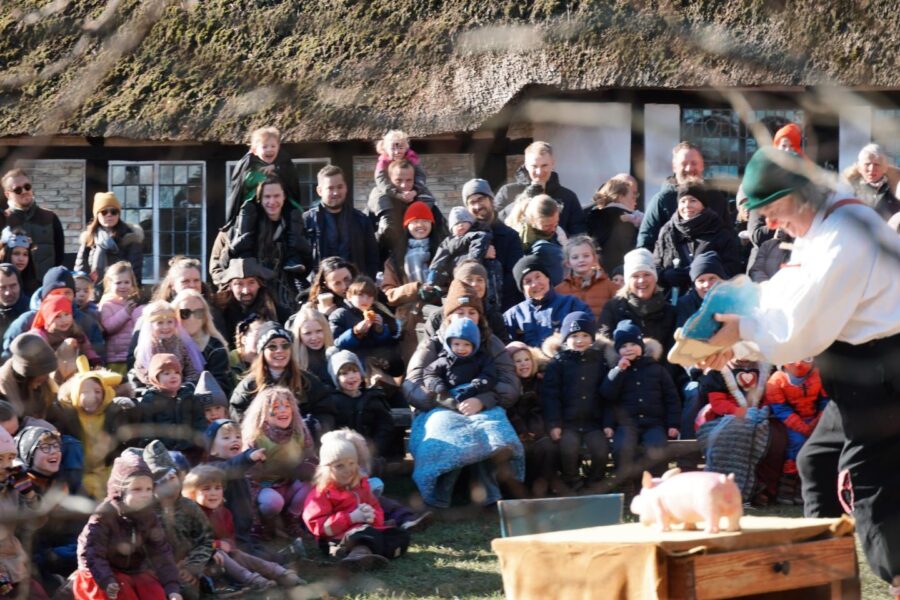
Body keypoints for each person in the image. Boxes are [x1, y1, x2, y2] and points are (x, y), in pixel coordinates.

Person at [701, 147, 900, 592]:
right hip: (857, 372)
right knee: (817, 459)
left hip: (885, 373)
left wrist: (738, 334)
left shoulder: (846, 234)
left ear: (801, 195)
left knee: (866, 482)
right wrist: (733, 327)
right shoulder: (824, 223)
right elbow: (788, 288)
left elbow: (800, 327)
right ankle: (821, 571)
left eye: (772, 210)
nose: (770, 223)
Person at [403, 281, 524, 508]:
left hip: (483, 403)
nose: (466, 317)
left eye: (472, 312)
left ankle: (490, 494)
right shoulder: (434, 344)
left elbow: (509, 381)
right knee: (446, 434)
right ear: (448, 316)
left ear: (480, 316)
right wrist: (443, 400)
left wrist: (483, 400)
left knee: (491, 433)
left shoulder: (490, 343)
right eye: (460, 312)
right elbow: (414, 382)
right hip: (440, 405)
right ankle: (439, 493)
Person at [73, 452, 183, 600]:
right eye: (137, 489)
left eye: (148, 489)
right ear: (120, 491)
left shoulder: (148, 516)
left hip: (133, 571)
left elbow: (161, 553)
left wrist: (172, 587)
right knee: (123, 594)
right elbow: (91, 553)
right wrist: (107, 580)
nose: (144, 495)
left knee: (154, 593)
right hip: (102, 573)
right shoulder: (104, 516)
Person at [182, 465, 304, 591]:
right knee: (221, 553)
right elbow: (191, 544)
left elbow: (229, 538)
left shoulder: (224, 513)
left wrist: (228, 544)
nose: (213, 493)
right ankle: (252, 580)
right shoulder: (192, 516)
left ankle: (279, 573)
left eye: (217, 488)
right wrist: (216, 545)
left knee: (238, 554)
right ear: (192, 494)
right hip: (204, 562)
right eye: (206, 489)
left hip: (226, 558)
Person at [302, 428, 410, 570]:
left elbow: (376, 507)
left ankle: (364, 555)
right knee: (363, 534)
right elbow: (319, 526)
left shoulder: (361, 485)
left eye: (352, 463)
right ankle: (358, 555)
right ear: (326, 469)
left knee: (399, 535)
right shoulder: (322, 493)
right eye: (339, 466)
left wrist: (372, 516)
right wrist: (351, 518)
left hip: (366, 530)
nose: (348, 469)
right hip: (336, 538)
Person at [602, 320, 680, 478]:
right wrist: (618, 371)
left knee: (657, 448)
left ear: (641, 346)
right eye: (623, 346)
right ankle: (627, 483)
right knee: (622, 448)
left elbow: (671, 397)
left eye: (633, 344)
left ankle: (655, 484)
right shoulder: (615, 371)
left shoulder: (657, 369)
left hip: (653, 423)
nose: (628, 348)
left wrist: (673, 423)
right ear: (618, 350)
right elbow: (607, 396)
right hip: (626, 424)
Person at [541, 311, 608, 491]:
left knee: (601, 451)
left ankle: (595, 482)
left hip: (593, 423)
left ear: (592, 338)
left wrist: (607, 423)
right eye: (574, 336)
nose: (580, 340)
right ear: (565, 339)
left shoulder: (600, 362)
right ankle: (572, 481)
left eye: (585, 335)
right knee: (568, 449)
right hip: (568, 423)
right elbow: (551, 396)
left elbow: (607, 396)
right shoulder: (558, 363)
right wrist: (554, 424)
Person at [224, 175, 313, 310]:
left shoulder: (294, 221)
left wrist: (304, 248)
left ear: (284, 197)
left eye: (276, 196)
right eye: (267, 197)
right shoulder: (246, 223)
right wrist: (236, 247)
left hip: (286, 294)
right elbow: (226, 263)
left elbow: (305, 268)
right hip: (256, 293)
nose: (272, 201)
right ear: (260, 199)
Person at [140, 441, 215, 600]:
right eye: (159, 482)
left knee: (187, 592)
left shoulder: (190, 507)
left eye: (171, 477)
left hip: (185, 570)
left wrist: (191, 566)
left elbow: (206, 539)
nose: (168, 486)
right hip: (154, 573)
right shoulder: (144, 512)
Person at [241, 386, 317, 543]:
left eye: (287, 406)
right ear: (263, 413)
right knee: (273, 503)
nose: (283, 410)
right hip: (264, 488)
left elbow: (311, 457)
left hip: (289, 485)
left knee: (314, 483)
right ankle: (266, 523)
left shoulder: (299, 431)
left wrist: (308, 466)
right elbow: (249, 479)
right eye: (276, 407)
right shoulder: (256, 437)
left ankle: (292, 518)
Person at [229, 322, 334, 433]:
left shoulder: (307, 381)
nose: (280, 350)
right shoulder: (249, 385)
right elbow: (237, 413)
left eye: (285, 345)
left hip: (302, 443)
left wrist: (314, 427)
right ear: (262, 352)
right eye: (272, 346)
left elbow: (326, 412)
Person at [636, 142, 732, 251]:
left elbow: (729, 239)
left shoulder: (716, 198)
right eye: (684, 163)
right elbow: (645, 244)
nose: (689, 168)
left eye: (694, 163)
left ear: (702, 166)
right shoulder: (661, 201)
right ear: (674, 167)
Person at [653, 183, 742, 299]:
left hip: (710, 300)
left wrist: (705, 273)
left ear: (703, 205)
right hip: (674, 301)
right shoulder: (667, 232)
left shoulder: (719, 231)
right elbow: (655, 267)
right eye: (683, 201)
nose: (687, 206)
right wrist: (665, 276)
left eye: (693, 200)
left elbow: (732, 268)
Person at [380, 201, 443, 362]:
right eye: (415, 221)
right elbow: (388, 293)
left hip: (438, 317)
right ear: (407, 225)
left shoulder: (443, 253)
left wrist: (436, 291)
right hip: (409, 323)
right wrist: (416, 289)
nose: (420, 225)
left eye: (425, 221)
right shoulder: (395, 260)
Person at [763, 358, 828, 505]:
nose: (799, 364)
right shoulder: (776, 381)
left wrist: (818, 420)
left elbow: (825, 400)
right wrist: (803, 427)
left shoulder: (819, 375)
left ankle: (806, 487)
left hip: (816, 419)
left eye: (806, 358)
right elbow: (780, 409)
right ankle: (787, 486)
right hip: (790, 422)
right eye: (791, 359)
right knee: (797, 444)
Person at [598, 248, 677, 360]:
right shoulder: (613, 308)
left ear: (655, 278)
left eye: (646, 274)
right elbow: (606, 347)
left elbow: (672, 354)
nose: (641, 280)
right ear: (627, 281)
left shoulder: (670, 312)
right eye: (635, 276)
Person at [304, 165, 380, 279]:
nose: (336, 192)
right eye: (330, 188)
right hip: (321, 290)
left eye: (340, 187)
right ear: (319, 191)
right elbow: (301, 259)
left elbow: (372, 258)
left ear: (346, 188)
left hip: (354, 289)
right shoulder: (307, 221)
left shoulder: (362, 220)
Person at [496, 142, 586, 235]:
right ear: (526, 165)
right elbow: (495, 223)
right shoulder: (507, 192)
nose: (539, 172)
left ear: (552, 164)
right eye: (534, 166)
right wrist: (523, 198)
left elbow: (578, 234)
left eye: (544, 166)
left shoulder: (568, 197)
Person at [462, 179, 524, 310]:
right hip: (470, 309)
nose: (478, 206)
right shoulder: (462, 238)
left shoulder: (510, 236)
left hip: (504, 309)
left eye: (481, 199)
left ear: (491, 200)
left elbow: (514, 278)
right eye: (472, 202)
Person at [503, 255, 590, 349]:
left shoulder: (572, 305)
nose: (535, 284)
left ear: (547, 278)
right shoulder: (512, 316)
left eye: (538, 277)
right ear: (522, 288)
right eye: (528, 281)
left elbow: (589, 337)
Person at [368, 159, 446, 261]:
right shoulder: (378, 206)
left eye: (409, 180)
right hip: (387, 263)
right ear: (390, 180)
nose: (404, 185)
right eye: (398, 180)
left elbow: (442, 235)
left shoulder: (427, 204)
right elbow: (368, 239)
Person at [504, 341, 554, 497]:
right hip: (515, 431)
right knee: (519, 451)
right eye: (518, 361)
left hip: (536, 429)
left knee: (546, 447)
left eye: (527, 360)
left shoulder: (539, 382)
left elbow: (540, 409)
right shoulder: (507, 386)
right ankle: (518, 491)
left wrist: (534, 430)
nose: (523, 364)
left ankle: (541, 490)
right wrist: (522, 431)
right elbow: (509, 411)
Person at [326, 350, 395, 462]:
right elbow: (331, 429)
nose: (351, 376)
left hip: (372, 453)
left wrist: (375, 449)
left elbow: (384, 426)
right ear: (336, 378)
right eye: (344, 373)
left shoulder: (372, 398)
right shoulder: (333, 401)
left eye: (355, 371)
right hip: (344, 455)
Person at [224, 126, 304, 219]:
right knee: (247, 210)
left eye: (273, 146)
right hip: (254, 205)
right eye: (264, 147)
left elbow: (292, 182)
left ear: (278, 148)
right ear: (254, 150)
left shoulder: (285, 164)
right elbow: (245, 183)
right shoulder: (249, 165)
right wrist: (262, 176)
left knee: (294, 213)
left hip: (280, 204)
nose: (269, 149)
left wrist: (277, 169)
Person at [0, 169, 65, 281]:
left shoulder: (50, 217)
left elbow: (59, 256)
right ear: (8, 194)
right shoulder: (3, 220)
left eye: (27, 186)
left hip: (45, 288)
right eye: (18, 189)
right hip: (13, 289)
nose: (24, 191)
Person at [137, 354, 205, 455]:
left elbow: (199, 423)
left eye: (176, 372)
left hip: (190, 451)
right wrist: (156, 449)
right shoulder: (150, 401)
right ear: (156, 378)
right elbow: (147, 431)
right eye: (166, 373)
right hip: (163, 454)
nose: (173, 376)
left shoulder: (189, 397)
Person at [423, 317, 497, 409]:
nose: (461, 348)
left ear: (474, 345)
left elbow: (489, 374)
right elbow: (429, 373)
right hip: (449, 396)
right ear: (449, 344)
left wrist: (476, 386)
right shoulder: (444, 360)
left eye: (466, 344)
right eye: (456, 344)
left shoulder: (482, 359)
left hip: (476, 394)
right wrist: (439, 387)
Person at [75, 192, 145, 286]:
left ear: (118, 214)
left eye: (113, 212)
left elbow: (135, 273)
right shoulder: (89, 239)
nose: (109, 215)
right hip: (93, 293)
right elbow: (80, 272)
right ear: (97, 215)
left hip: (121, 293)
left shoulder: (130, 238)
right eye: (104, 212)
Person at [128, 301, 203, 389]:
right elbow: (142, 372)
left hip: (181, 388)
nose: (165, 327)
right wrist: (162, 388)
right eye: (160, 323)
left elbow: (190, 368)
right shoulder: (147, 347)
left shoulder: (179, 343)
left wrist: (187, 385)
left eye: (169, 322)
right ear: (151, 325)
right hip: (156, 391)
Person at [213, 258, 287, 346]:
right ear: (230, 286)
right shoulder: (219, 313)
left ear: (259, 284)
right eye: (239, 284)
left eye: (251, 282)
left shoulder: (278, 313)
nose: (246, 291)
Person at [173, 289, 233, 398]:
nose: (192, 318)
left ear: (205, 317)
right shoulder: (166, 343)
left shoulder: (215, 348)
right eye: (185, 313)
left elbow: (219, 387)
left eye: (198, 313)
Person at [584, 176, 642, 275]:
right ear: (619, 197)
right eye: (632, 196)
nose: (635, 200)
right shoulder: (627, 218)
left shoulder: (591, 216)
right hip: (622, 272)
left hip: (598, 272)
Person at [555, 235, 618, 321]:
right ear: (568, 263)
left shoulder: (611, 287)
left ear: (595, 259)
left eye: (586, 256)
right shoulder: (559, 291)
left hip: (601, 333)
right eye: (575, 257)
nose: (581, 260)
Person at [98, 261, 143, 375]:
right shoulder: (107, 304)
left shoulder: (133, 303)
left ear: (132, 283)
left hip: (132, 355)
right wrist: (125, 312)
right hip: (115, 358)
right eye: (118, 282)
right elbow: (108, 327)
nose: (123, 286)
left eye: (126, 282)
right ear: (110, 284)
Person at [841, 143, 900, 221]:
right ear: (859, 167)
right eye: (867, 164)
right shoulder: (848, 190)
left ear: (885, 168)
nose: (871, 169)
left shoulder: (896, 188)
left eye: (877, 164)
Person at [290, 306, 333, 386]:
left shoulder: (336, 353)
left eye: (319, 331)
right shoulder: (292, 359)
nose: (314, 337)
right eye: (307, 333)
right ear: (299, 334)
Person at [0, 227, 38, 296]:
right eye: (16, 253)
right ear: (6, 255)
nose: (21, 259)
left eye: (25, 254)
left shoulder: (35, 287)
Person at [0, 264, 29, 342]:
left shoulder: (31, 313)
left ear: (20, 285)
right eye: (2, 287)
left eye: (13, 286)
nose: (8, 293)